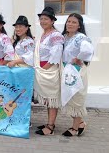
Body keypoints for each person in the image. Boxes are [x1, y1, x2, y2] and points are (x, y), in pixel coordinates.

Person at [60, 13, 94, 136]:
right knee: (69, 97)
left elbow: (88, 50)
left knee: (76, 97)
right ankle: (80, 123)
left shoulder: (81, 37)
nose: (70, 24)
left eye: (74, 22)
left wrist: (79, 58)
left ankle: (75, 128)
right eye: (68, 21)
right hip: (66, 71)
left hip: (77, 71)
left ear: (79, 25)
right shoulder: (64, 37)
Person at [34, 7, 65, 135]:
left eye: (46, 19)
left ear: (52, 21)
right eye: (41, 19)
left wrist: (44, 68)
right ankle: (49, 122)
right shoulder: (43, 34)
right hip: (41, 69)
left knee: (52, 99)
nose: (43, 21)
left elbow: (56, 54)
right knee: (48, 99)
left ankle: (50, 127)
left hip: (49, 70)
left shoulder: (55, 35)